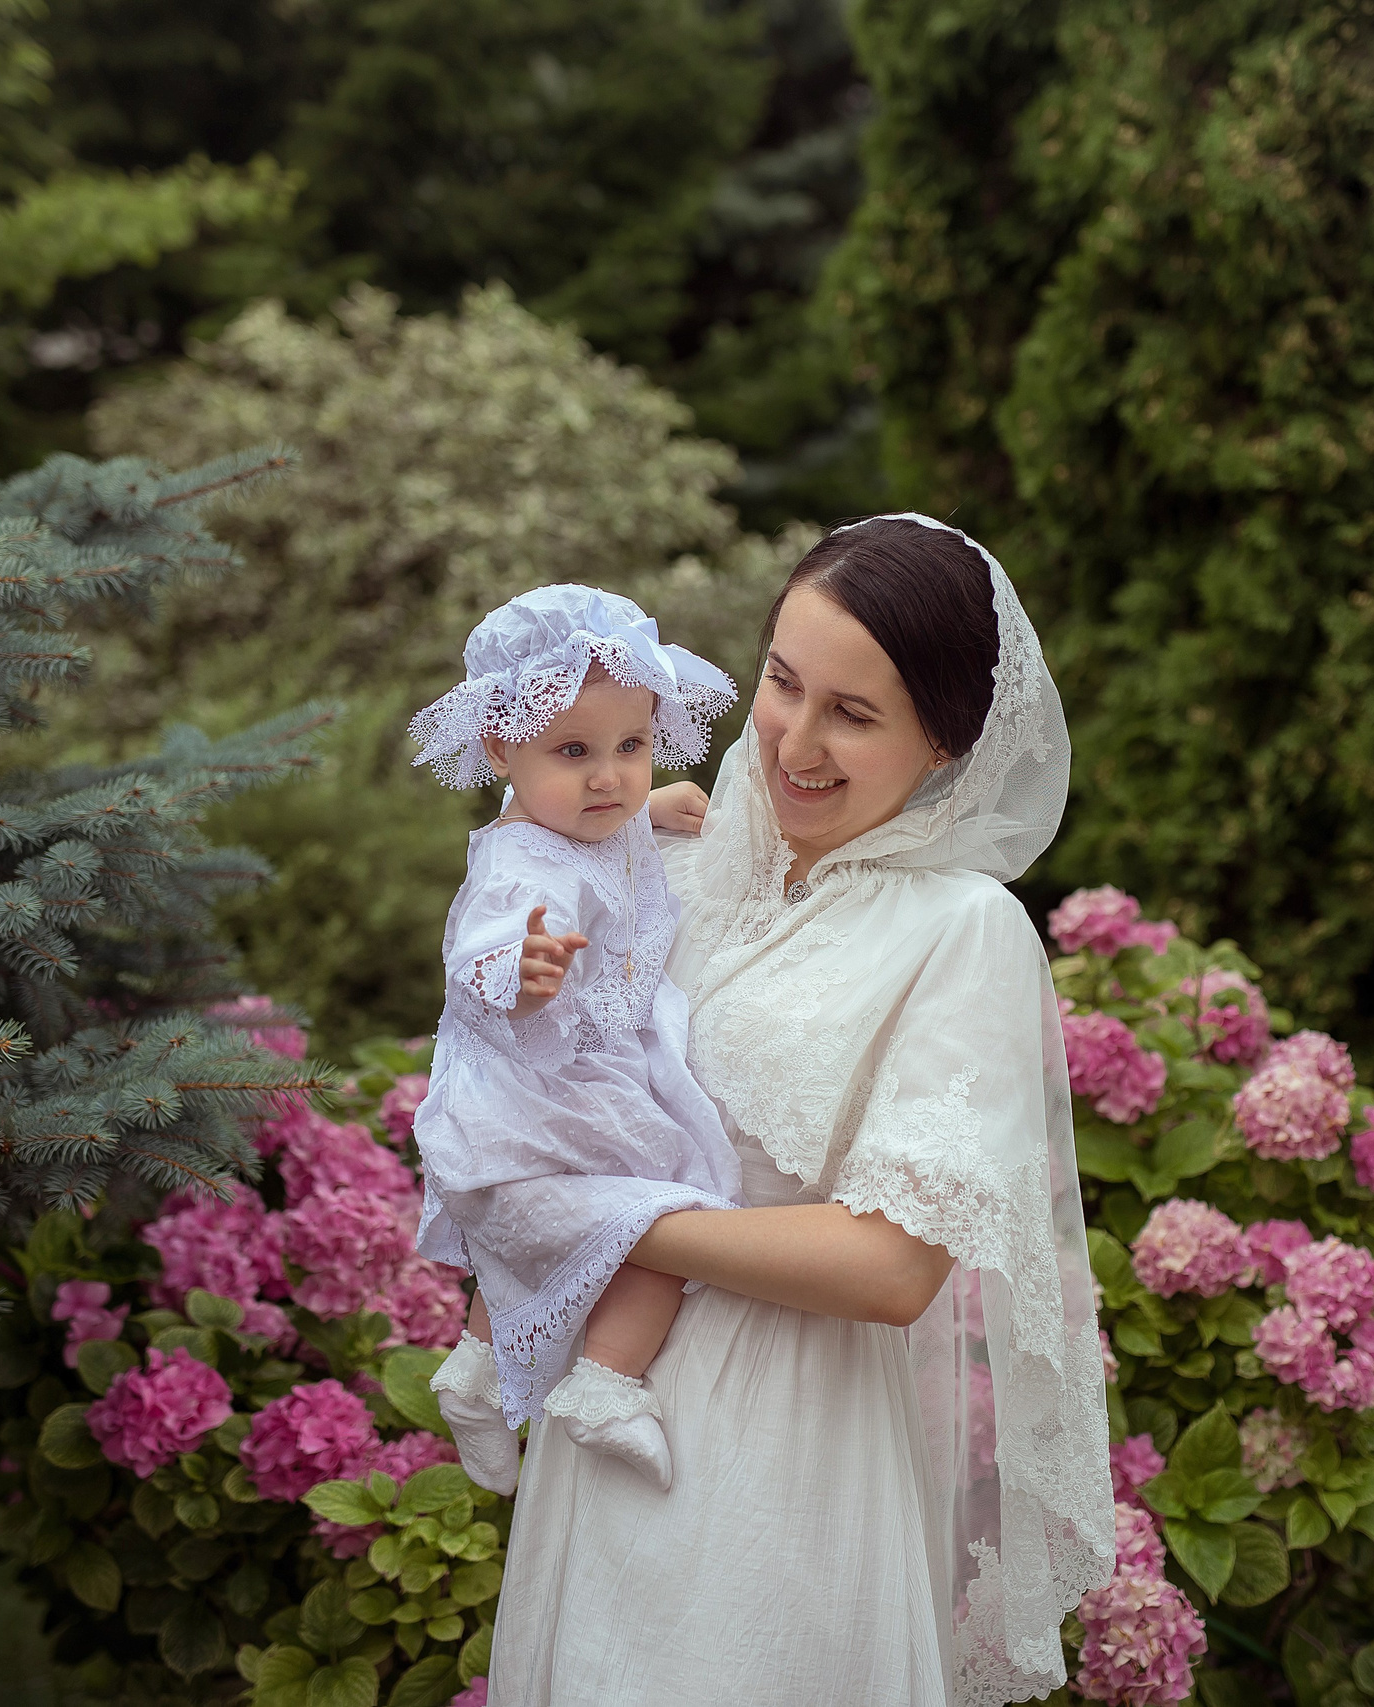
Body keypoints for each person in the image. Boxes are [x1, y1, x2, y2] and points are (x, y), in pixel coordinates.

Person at [491, 515, 1117, 1706]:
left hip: (781, 1450)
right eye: (783, 682)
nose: (796, 741)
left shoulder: (960, 929)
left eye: (855, 713)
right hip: (604, 1422)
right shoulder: (673, 861)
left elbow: (892, 1266)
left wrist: (603, 1217)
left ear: (946, 741)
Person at [408, 585, 747, 1496]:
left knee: (558, 1230)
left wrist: (655, 804)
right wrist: (518, 969)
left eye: (631, 746)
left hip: (556, 1089)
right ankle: (606, 1381)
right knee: (668, 1208)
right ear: (500, 750)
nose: (608, 777)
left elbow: (613, 822)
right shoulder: (522, 864)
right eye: (574, 752)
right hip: (551, 1087)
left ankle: (479, 1371)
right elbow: (484, 940)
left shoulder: (583, 815)